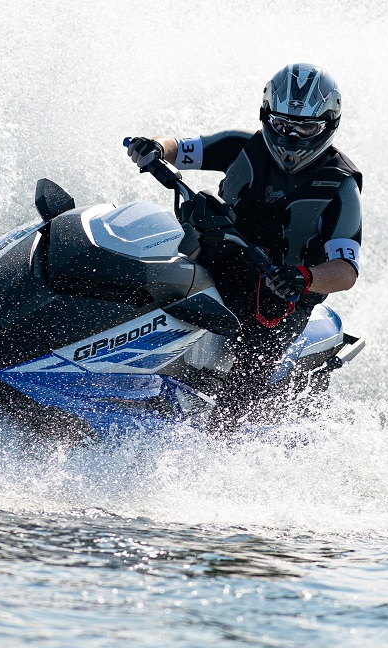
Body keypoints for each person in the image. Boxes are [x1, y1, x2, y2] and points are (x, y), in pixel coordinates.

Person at [127, 63, 363, 424]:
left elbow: (346, 271)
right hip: (218, 256)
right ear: (266, 116)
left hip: (278, 294)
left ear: (329, 126)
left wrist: (302, 278)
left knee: (244, 383)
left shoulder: (341, 186)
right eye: (283, 125)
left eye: (306, 128)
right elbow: (182, 148)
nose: (291, 138)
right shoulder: (241, 146)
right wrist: (155, 146)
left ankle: (226, 442)